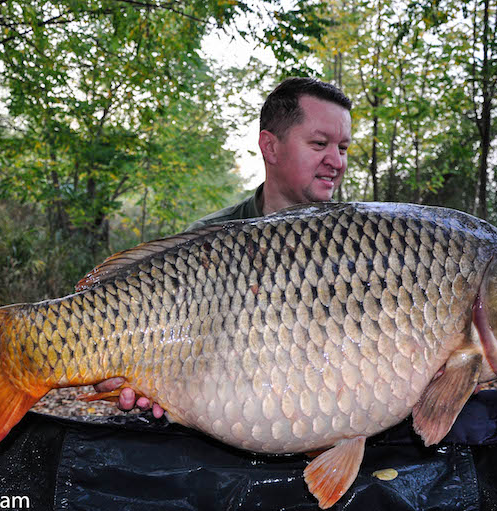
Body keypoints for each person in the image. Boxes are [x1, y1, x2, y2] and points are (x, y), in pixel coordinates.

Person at [94, 77, 353, 417]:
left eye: (344, 148)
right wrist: (110, 371)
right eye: (320, 144)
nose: (336, 161)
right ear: (270, 147)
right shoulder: (205, 241)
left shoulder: (363, 242)